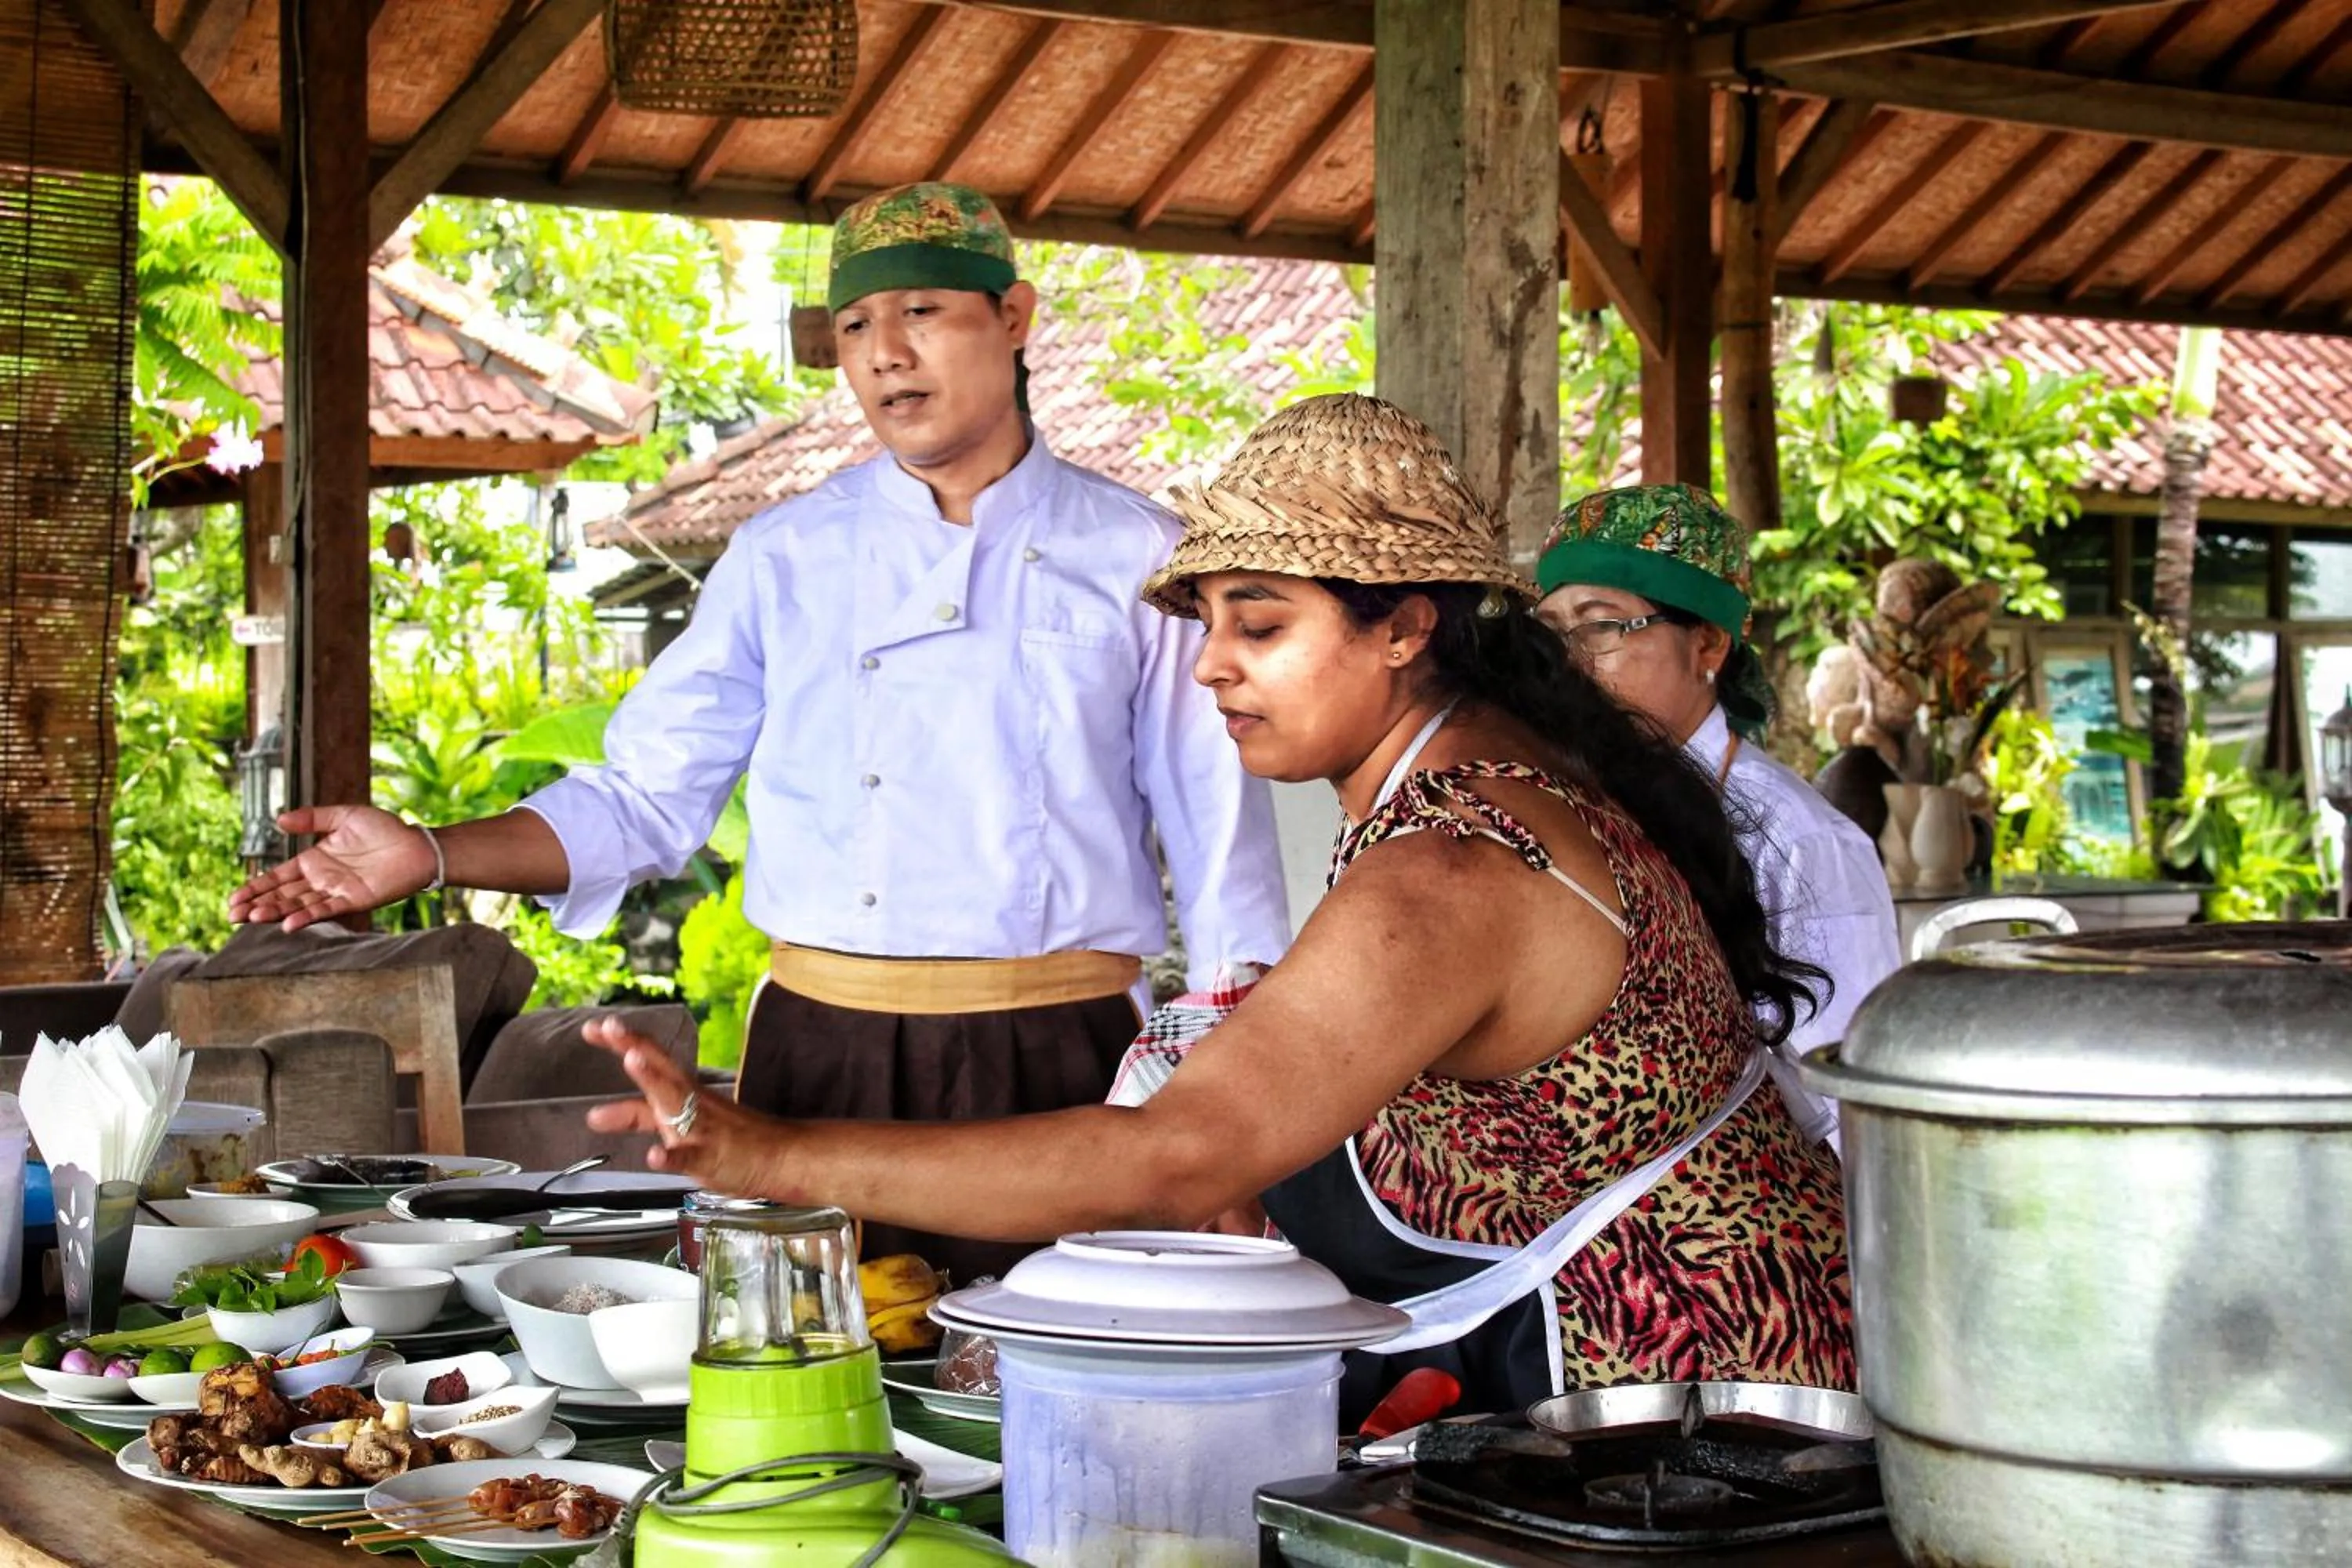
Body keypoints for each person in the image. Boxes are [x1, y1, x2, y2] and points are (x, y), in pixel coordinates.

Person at [581, 395, 1856, 1417]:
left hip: (1681, 1409)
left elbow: (1176, 1154)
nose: (1212, 665)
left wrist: (769, 1154)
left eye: (1260, 625)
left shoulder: (1460, 860)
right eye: (1205, 621)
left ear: (1405, 627)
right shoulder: (1476, 787)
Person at [227, 182, 1291, 1284]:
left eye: (923, 311)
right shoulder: (788, 555)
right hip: (816, 1053)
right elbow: (644, 798)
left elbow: (1224, 863)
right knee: (802, 1399)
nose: (885, 355)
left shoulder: (1141, 557)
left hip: (1063, 1056)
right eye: (855, 327)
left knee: (1050, 1386)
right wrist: (435, 851)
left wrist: (1232, 1130)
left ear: (1014, 317)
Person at [1534, 485, 1901, 1150]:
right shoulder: (1569, 805)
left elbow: (1855, 1097)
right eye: (1554, 631)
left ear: (1707, 644)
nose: (1569, 661)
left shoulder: (1798, 840)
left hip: (1766, 1214)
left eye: (1601, 624)